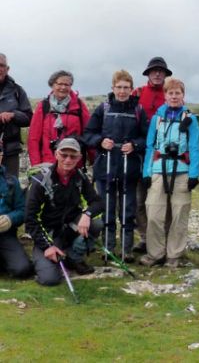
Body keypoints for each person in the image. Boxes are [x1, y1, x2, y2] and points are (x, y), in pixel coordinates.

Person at [82, 70, 148, 262]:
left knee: (128, 210)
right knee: (107, 209)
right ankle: (108, 248)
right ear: (113, 87)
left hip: (129, 167)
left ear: (131, 89)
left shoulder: (138, 110)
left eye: (126, 87)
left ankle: (127, 250)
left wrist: (135, 145)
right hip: (106, 166)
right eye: (119, 87)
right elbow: (88, 134)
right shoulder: (103, 108)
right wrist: (100, 141)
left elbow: (146, 137)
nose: (122, 91)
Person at [25, 138, 104, 285]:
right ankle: (49, 255)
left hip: (69, 229)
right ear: (56, 154)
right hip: (48, 234)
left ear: (79, 158)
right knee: (49, 279)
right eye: (64, 155)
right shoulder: (41, 181)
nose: (68, 160)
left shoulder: (80, 177)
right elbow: (30, 220)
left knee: (96, 224)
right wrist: (47, 247)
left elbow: (98, 202)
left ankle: (74, 257)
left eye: (73, 156)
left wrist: (87, 214)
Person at [140, 77, 199, 268]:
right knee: (153, 212)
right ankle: (155, 253)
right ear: (165, 95)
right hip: (159, 169)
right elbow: (150, 146)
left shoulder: (190, 119)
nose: (174, 96)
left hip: (181, 170)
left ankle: (174, 254)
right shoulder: (157, 119)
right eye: (170, 93)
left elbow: (194, 147)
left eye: (177, 93)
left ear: (183, 95)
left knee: (179, 213)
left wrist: (194, 174)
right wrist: (146, 172)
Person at [131, 56, 173, 254]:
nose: (157, 73)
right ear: (148, 73)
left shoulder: (171, 93)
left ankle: (164, 238)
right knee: (140, 199)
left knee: (164, 199)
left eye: (161, 71)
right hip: (140, 152)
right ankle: (145, 237)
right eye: (153, 70)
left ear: (165, 74)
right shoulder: (137, 93)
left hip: (164, 154)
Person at [27, 70, 92, 168]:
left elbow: (89, 133)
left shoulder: (79, 106)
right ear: (52, 85)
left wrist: (94, 159)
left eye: (67, 84)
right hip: (48, 163)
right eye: (60, 84)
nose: (63, 87)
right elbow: (33, 139)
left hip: (72, 163)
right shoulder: (43, 106)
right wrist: (36, 166)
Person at [0, 142, 32, 278]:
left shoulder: (11, 181)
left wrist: (10, 219)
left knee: (22, 269)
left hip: (5, 234)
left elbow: (22, 210)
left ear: (1, 155)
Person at [0, 53, 33, 177]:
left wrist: (13, 114)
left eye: (1, 65)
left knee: (11, 186)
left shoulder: (17, 90)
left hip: (10, 151)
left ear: (7, 69)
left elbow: (29, 118)